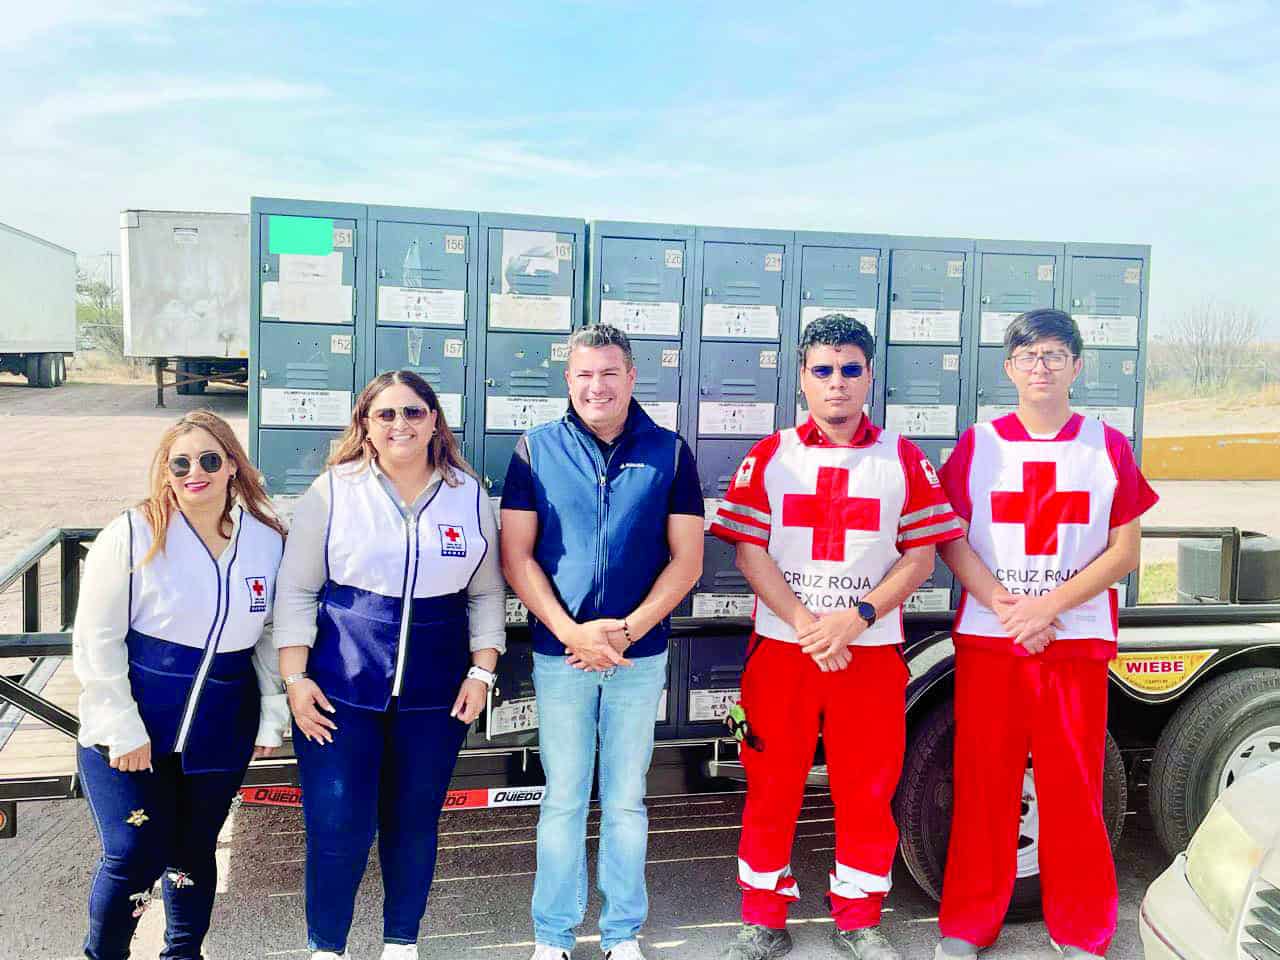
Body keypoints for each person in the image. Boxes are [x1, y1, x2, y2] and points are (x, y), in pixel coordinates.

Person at [710, 314, 965, 960]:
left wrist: (854, 617)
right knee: (768, 782)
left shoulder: (902, 458)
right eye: (822, 370)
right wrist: (805, 624)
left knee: (867, 789)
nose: (837, 383)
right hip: (781, 653)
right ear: (802, 378)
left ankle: (858, 919)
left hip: (869, 653)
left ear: (870, 376)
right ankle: (762, 918)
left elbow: (921, 557)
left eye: (851, 369)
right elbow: (748, 553)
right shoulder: (771, 455)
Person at [933, 309, 1158, 960]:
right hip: (993, 639)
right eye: (1028, 356)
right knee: (983, 786)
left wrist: (1048, 607)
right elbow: (949, 538)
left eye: (1055, 355)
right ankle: (969, 925)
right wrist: (1010, 608)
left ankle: (1082, 929)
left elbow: (1125, 549)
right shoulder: (980, 446)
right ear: (1008, 368)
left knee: (1074, 790)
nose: (1041, 367)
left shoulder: (1106, 445)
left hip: (1074, 639)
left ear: (1077, 366)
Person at [272, 370, 505, 960]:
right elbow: (297, 591)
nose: (401, 424)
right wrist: (295, 680)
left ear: (434, 422)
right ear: (366, 427)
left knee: (413, 825)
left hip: (436, 695)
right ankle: (327, 947)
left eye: (413, 412)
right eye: (386, 415)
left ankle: (402, 943)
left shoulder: (467, 493)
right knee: (338, 826)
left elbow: (485, 593)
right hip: (339, 693)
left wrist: (482, 671)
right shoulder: (333, 491)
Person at [500, 324, 705, 960]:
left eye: (610, 372)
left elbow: (688, 560)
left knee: (623, 801)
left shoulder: (669, 453)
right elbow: (517, 556)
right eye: (585, 374)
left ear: (631, 377)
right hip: (562, 656)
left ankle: (621, 935)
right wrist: (571, 633)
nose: (598, 385)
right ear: (569, 380)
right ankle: (552, 937)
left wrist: (628, 629)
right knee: (562, 799)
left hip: (637, 657)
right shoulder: (535, 450)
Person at [72, 410, 289, 960]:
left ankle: (183, 954)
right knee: (135, 850)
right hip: (136, 726)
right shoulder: (133, 532)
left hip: (220, 729)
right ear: (165, 472)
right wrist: (121, 727)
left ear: (232, 467)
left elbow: (268, 635)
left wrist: (271, 712)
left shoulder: (264, 540)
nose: (196, 472)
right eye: (181, 463)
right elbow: (97, 638)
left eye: (209, 460)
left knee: (193, 851)